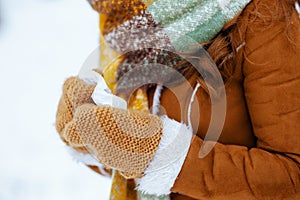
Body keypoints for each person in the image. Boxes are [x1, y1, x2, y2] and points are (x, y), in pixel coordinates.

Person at [56, 0, 300, 199]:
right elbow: (136, 172)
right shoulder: (124, 25)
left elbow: (292, 179)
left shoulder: (264, 13)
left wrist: (162, 156)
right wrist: (94, 137)